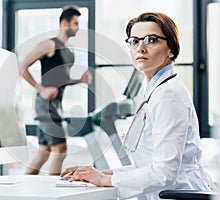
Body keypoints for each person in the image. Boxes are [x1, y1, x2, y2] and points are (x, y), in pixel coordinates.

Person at [60, 12, 216, 199]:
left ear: (171, 50)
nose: (140, 48)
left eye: (151, 40)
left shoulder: (168, 95)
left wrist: (104, 180)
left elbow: (164, 172)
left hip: (179, 194)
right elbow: (145, 165)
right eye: (134, 41)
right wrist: (99, 174)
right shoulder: (156, 90)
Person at [19, 5, 92, 176]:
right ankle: (52, 193)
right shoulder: (49, 45)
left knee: (44, 153)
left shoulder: (68, 50)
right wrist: (41, 89)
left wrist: (78, 80)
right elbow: (22, 66)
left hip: (56, 103)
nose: (77, 27)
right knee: (61, 150)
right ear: (64, 23)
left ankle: (22, 189)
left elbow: (62, 79)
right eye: (75, 23)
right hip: (45, 103)